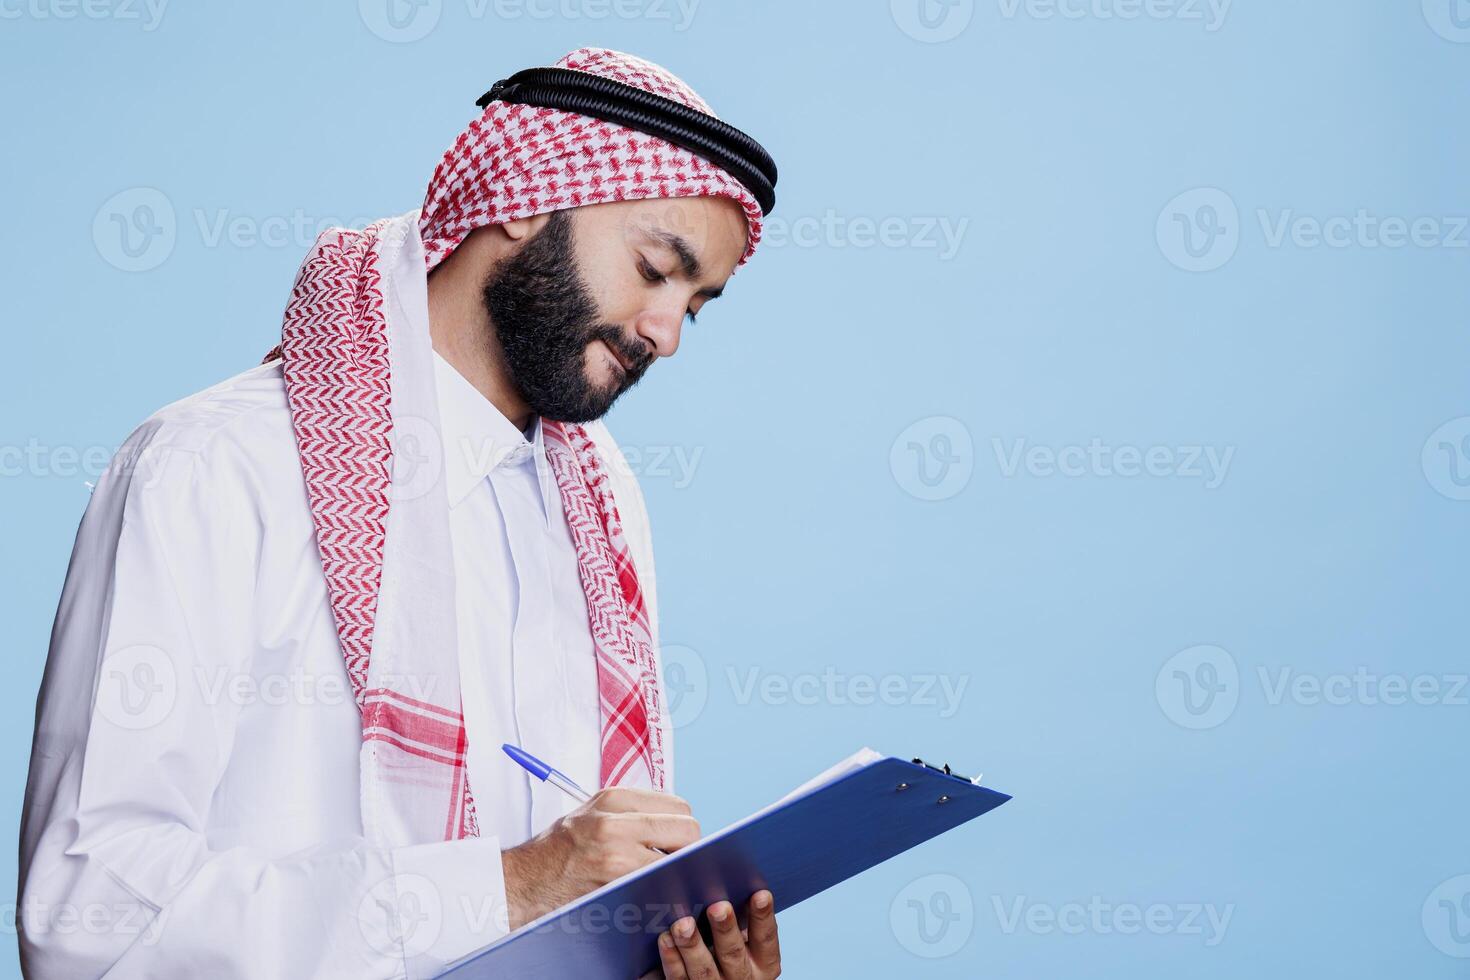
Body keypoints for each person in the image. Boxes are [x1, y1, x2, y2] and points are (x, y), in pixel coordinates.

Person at [18, 46, 782, 979]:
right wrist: (513, 884)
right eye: (655, 268)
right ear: (526, 194)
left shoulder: (602, 509)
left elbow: (581, 894)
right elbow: (89, 921)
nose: (665, 334)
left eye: (696, 308)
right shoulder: (213, 469)